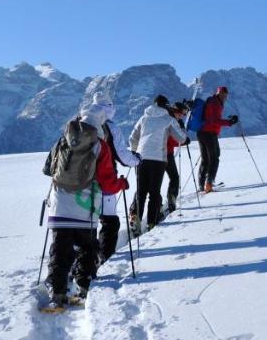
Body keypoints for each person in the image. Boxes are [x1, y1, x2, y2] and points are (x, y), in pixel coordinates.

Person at [45, 97, 138, 306]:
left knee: (60, 249)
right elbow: (107, 184)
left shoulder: (63, 140)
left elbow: (48, 168)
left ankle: (57, 293)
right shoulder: (100, 146)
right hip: (85, 207)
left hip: (59, 203)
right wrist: (121, 184)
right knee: (87, 247)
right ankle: (83, 287)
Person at [92, 96, 140, 268]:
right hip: (105, 182)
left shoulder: (78, 123)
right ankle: (104, 260)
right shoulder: (109, 126)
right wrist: (136, 160)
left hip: (78, 185)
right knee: (109, 222)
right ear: (109, 108)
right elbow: (122, 155)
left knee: (87, 223)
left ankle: (80, 263)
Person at [130, 95, 188, 230]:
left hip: (141, 158)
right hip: (158, 159)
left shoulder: (143, 118)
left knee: (141, 192)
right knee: (154, 192)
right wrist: (183, 131)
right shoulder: (168, 119)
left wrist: (135, 152)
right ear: (166, 106)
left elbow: (132, 138)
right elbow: (181, 138)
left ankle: (136, 220)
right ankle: (151, 222)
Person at [197, 86, 238, 193]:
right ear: (219, 93)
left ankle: (202, 184)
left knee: (206, 159)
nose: (225, 97)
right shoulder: (215, 103)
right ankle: (209, 184)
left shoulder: (212, 101)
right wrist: (229, 122)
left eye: (226, 95)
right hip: (209, 133)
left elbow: (212, 118)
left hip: (202, 132)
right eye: (223, 95)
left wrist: (228, 121)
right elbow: (214, 120)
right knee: (214, 158)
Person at [164, 101, 189, 214]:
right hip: (165, 154)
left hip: (155, 154)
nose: (182, 116)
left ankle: (170, 199)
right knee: (174, 177)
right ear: (175, 111)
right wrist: (182, 142)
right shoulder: (171, 121)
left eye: (184, 114)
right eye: (181, 113)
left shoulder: (167, 118)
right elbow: (170, 140)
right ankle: (171, 199)